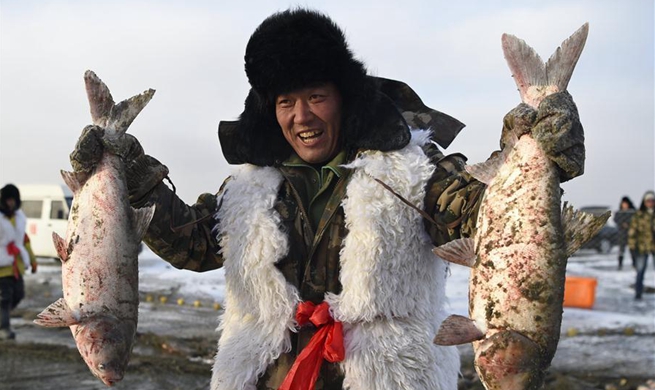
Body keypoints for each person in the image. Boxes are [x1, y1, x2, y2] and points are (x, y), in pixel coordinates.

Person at [69, 9, 585, 389]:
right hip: (267, 377)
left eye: (316, 96)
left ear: (345, 96)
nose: (302, 116)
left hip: (387, 377)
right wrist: (131, 177)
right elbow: (195, 244)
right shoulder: (248, 186)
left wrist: (537, 151)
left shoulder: (416, 173)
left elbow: (493, 217)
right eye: (285, 102)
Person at [0, 184, 38, 340]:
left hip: (17, 264)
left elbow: (24, 240)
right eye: (8, 200)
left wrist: (33, 260)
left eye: (13, 200)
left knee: (19, 294)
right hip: (2, 265)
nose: (11, 203)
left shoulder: (19, 218)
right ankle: (4, 328)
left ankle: (3, 318)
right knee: (5, 298)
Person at [628, 191, 655, 300]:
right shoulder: (638, 215)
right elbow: (632, 232)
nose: (650, 203)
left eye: (652, 201)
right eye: (648, 201)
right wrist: (632, 246)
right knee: (640, 270)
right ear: (644, 202)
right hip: (642, 246)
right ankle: (638, 293)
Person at [614, 196, 636, 269]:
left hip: (631, 234)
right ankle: (620, 265)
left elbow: (635, 220)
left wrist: (628, 224)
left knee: (632, 249)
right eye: (623, 204)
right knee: (621, 250)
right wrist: (622, 223)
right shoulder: (619, 212)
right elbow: (616, 219)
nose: (625, 205)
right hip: (622, 234)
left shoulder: (632, 212)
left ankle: (634, 264)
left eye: (626, 204)